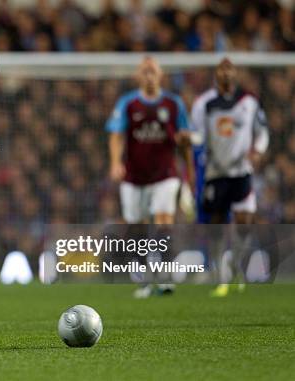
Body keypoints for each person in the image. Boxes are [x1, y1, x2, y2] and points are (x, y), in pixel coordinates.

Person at [106, 56, 194, 298]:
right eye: (144, 71)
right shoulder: (128, 103)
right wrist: (115, 163)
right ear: (138, 76)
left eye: (152, 71)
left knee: (164, 219)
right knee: (137, 227)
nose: (149, 76)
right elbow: (116, 134)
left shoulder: (174, 104)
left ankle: (165, 276)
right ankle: (145, 279)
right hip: (134, 176)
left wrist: (189, 172)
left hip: (165, 174)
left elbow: (185, 139)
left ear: (160, 75)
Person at [191, 57, 269, 297]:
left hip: (242, 170)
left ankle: (234, 263)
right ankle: (218, 274)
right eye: (221, 69)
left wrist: (258, 150)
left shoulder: (249, 101)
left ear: (235, 74)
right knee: (216, 223)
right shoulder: (204, 103)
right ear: (216, 74)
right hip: (216, 171)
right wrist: (188, 139)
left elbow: (262, 131)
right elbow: (199, 136)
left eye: (229, 69)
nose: (225, 73)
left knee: (245, 221)